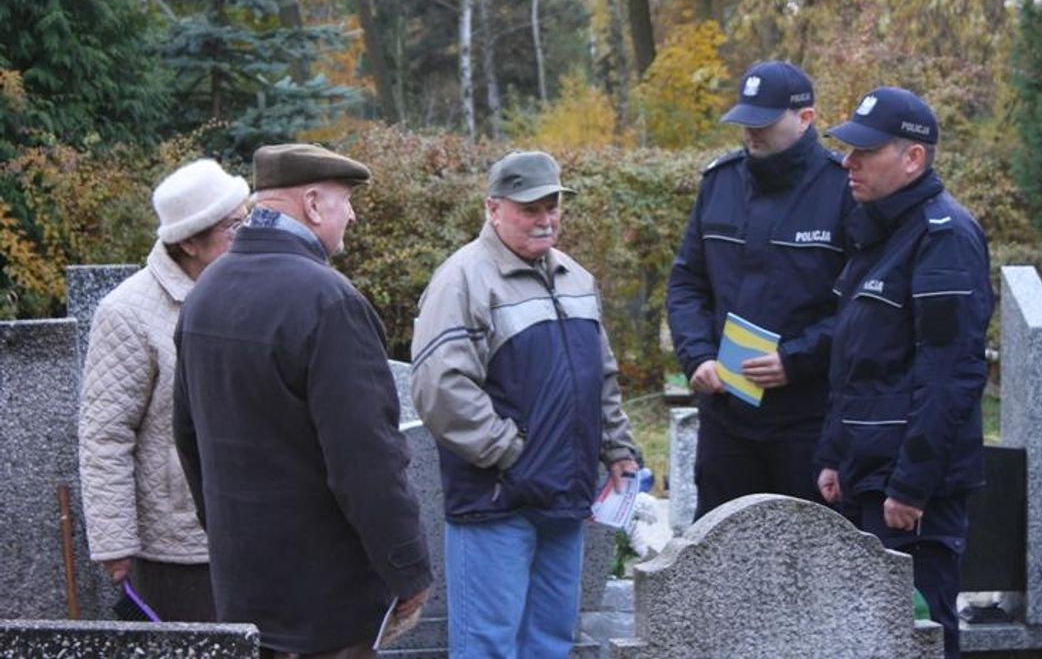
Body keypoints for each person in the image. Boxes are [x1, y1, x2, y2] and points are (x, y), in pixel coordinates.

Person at [173, 143, 432, 657]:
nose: (353, 214)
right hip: (326, 605)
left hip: (243, 590)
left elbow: (188, 439)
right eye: (345, 200)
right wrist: (409, 569)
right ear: (313, 204)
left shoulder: (204, 292)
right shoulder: (329, 301)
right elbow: (367, 462)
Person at [410, 150, 639, 658]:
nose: (546, 218)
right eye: (530, 208)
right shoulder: (463, 279)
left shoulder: (575, 278)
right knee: (488, 648)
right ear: (494, 209)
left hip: (563, 499)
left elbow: (599, 377)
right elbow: (440, 388)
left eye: (553, 204)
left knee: (551, 645)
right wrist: (512, 454)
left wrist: (619, 452)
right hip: (497, 504)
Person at [816, 87, 993, 659]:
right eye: (848, 150)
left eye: (865, 152)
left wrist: (912, 485)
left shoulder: (945, 237)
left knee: (917, 638)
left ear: (913, 158)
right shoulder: (881, 233)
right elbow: (859, 363)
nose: (849, 162)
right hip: (868, 476)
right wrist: (834, 454)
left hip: (910, 494)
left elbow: (952, 375)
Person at [666, 60, 854, 519]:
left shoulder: (842, 190)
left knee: (806, 558)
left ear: (805, 118)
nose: (751, 133)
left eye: (764, 123)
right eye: (745, 121)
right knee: (719, 556)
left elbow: (861, 309)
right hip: (726, 417)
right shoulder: (720, 182)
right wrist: (697, 356)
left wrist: (797, 360)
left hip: (807, 418)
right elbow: (687, 283)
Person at [79, 157, 249, 621]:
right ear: (190, 242)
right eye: (234, 226)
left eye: (248, 218)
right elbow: (105, 434)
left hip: (257, 529)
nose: (248, 234)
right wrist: (115, 544)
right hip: (180, 544)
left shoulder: (248, 289)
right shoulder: (127, 312)